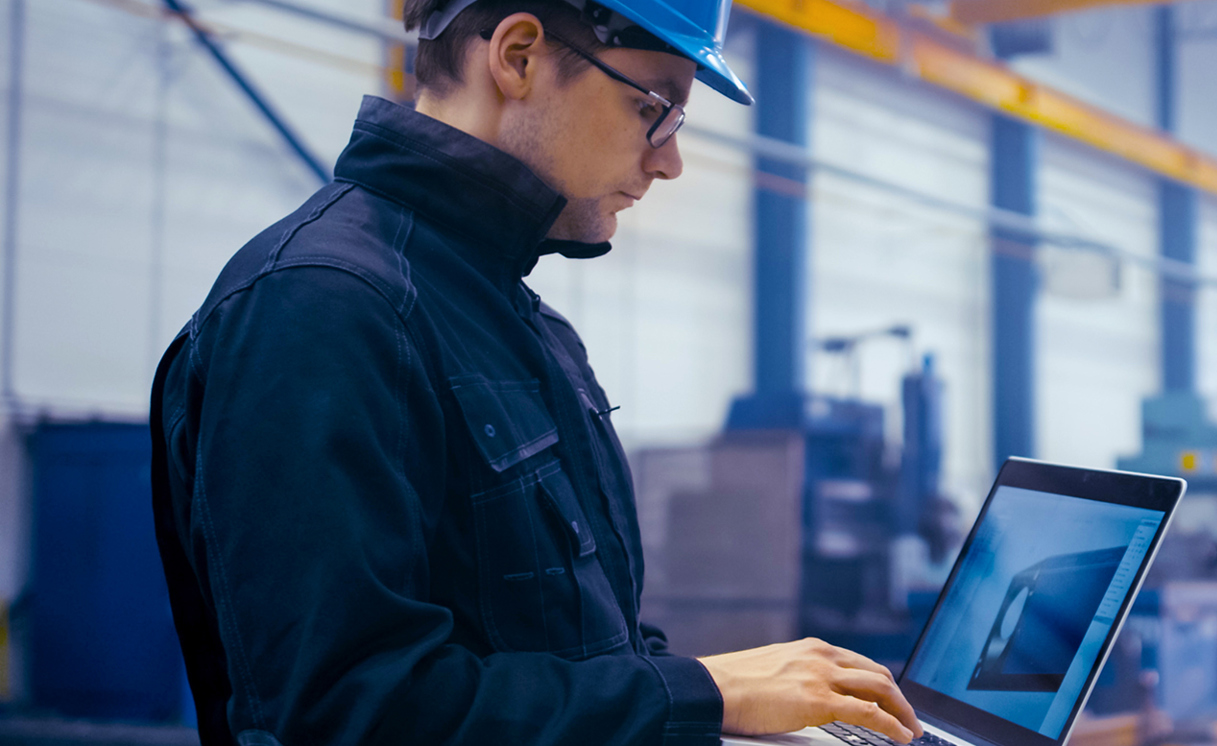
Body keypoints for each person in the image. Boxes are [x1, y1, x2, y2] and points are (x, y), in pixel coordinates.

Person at [148, 1, 922, 744]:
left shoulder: (527, 328)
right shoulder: (323, 308)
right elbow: (350, 714)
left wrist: (726, 709)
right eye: (657, 106)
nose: (671, 159)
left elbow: (593, 643)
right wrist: (704, 692)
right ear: (518, 57)